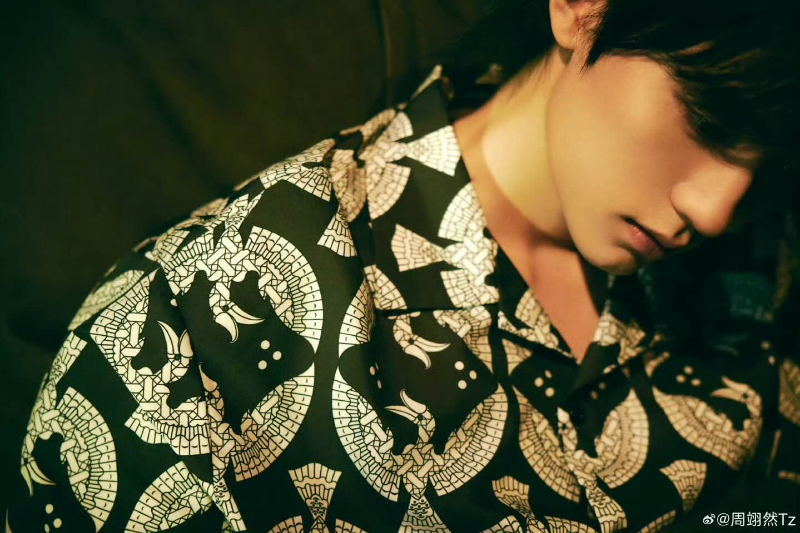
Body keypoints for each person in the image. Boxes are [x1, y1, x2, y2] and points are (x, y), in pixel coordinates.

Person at [6, 0, 799, 531]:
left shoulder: (757, 271)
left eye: (766, 169)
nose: (716, 210)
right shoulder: (197, 319)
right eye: (710, 116)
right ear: (583, 6)